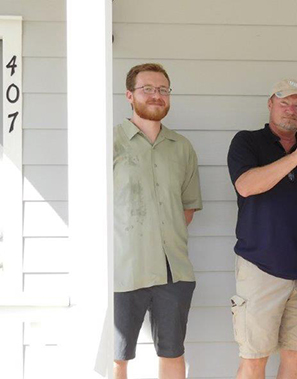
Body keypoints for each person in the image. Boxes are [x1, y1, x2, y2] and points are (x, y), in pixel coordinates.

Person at [227, 79, 297, 379]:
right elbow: (247, 186)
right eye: (284, 102)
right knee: (253, 358)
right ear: (270, 104)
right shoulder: (247, 142)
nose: (291, 109)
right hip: (259, 268)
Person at [113, 63, 202, 379]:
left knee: (173, 352)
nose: (156, 95)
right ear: (129, 95)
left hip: (173, 271)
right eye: (147, 89)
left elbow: (187, 209)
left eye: (163, 89)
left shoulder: (182, 148)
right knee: (116, 358)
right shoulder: (109, 143)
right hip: (122, 271)